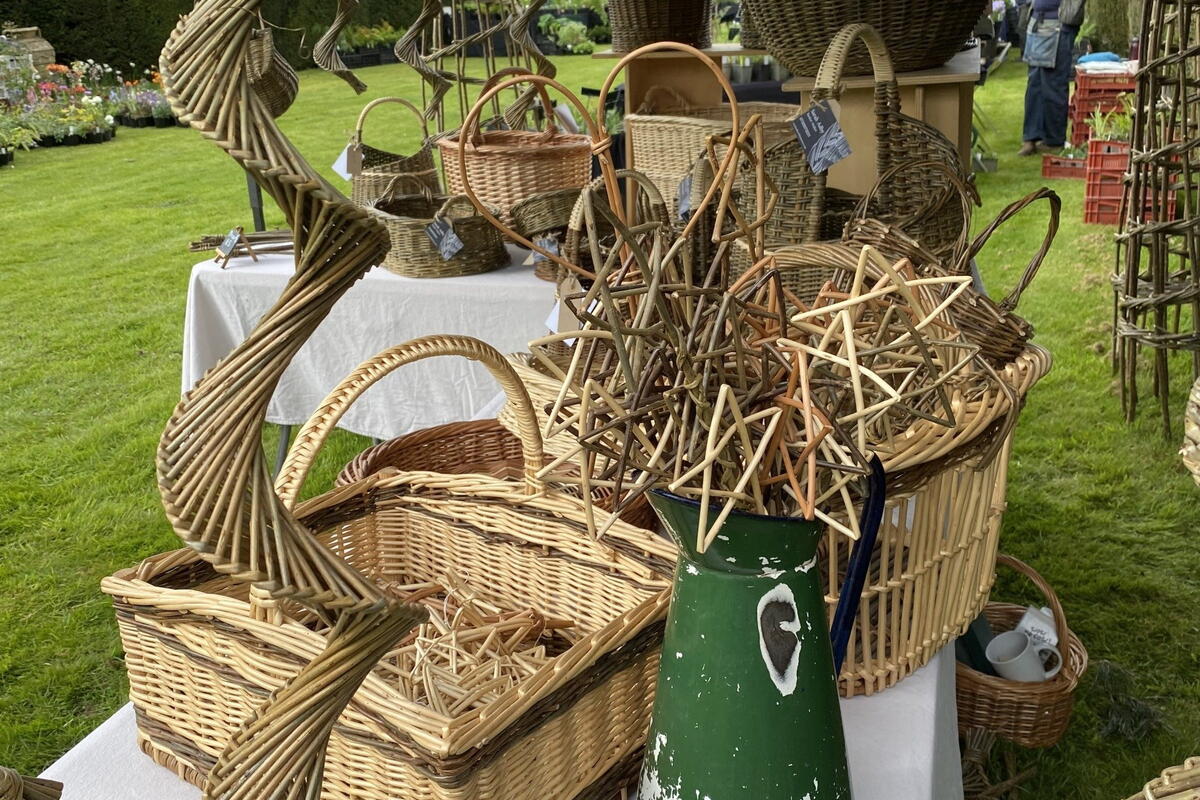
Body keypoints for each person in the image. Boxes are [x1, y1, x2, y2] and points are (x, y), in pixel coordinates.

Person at [1017, 0, 1083, 155]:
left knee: (1053, 83)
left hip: (1059, 25)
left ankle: (1054, 140)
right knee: (1034, 85)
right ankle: (1031, 138)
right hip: (1037, 22)